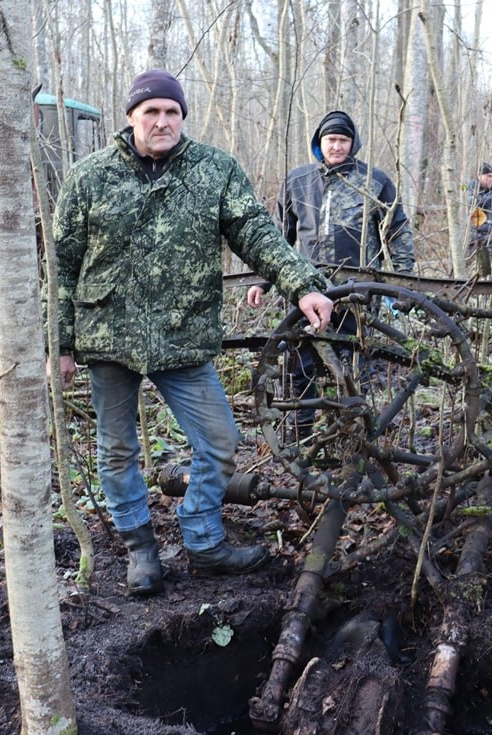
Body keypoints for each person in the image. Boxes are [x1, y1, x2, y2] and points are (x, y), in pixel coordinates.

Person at [54, 69, 334, 597]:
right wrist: (60, 345)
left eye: (172, 112)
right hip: (107, 338)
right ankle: (141, 551)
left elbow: (256, 232)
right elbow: (63, 267)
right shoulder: (89, 177)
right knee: (116, 449)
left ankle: (204, 541)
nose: (162, 121)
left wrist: (301, 285)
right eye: (151, 111)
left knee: (222, 442)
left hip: (182, 337)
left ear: (182, 117)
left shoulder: (214, 170)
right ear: (131, 116)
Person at [246, 110, 414, 430]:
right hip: (306, 288)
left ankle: (351, 429)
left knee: (353, 361)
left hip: (357, 290)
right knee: (300, 358)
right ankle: (302, 426)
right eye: (330, 140)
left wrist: (402, 284)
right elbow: (278, 236)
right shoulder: (298, 180)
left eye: (342, 140)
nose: (336, 147)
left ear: (353, 144)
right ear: (319, 144)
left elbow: (397, 233)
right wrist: (262, 281)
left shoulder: (374, 182)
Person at [467, 163, 492, 277]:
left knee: (488, 273)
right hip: (473, 239)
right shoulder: (471, 188)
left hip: (491, 238)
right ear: (480, 176)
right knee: (470, 270)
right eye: (488, 176)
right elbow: (475, 203)